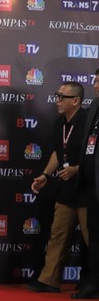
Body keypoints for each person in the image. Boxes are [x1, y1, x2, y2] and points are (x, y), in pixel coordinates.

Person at [26, 82, 88, 293]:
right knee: (57, 234)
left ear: (76, 101)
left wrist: (77, 170)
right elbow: (57, 152)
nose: (57, 101)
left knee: (91, 239)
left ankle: (91, 282)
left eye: (62, 97)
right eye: (57, 96)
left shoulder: (89, 122)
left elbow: (94, 156)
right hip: (66, 189)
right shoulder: (59, 124)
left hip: (87, 189)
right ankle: (49, 280)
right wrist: (45, 174)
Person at [72, 70, 99, 300]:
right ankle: (93, 282)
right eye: (96, 80)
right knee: (94, 236)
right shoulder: (95, 107)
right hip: (91, 186)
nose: (96, 85)